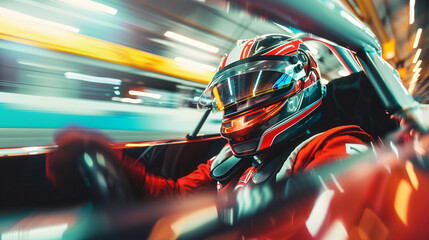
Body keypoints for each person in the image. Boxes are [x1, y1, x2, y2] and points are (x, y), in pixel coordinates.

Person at [46, 34, 374, 217]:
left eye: (256, 88)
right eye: (232, 94)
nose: (241, 104)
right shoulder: (231, 159)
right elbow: (175, 197)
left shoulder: (336, 148)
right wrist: (116, 165)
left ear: (298, 87)